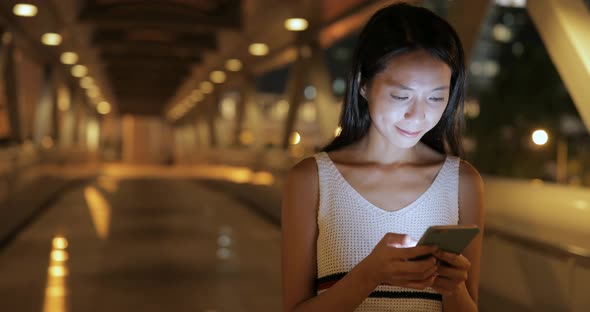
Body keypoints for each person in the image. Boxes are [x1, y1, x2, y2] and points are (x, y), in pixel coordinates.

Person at [281, 3, 484, 312]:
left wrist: (452, 289)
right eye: (401, 96)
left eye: (436, 98)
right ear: (363, 83)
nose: (417, 115)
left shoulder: (462, 182)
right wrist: (371, 274)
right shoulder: (311, 180)